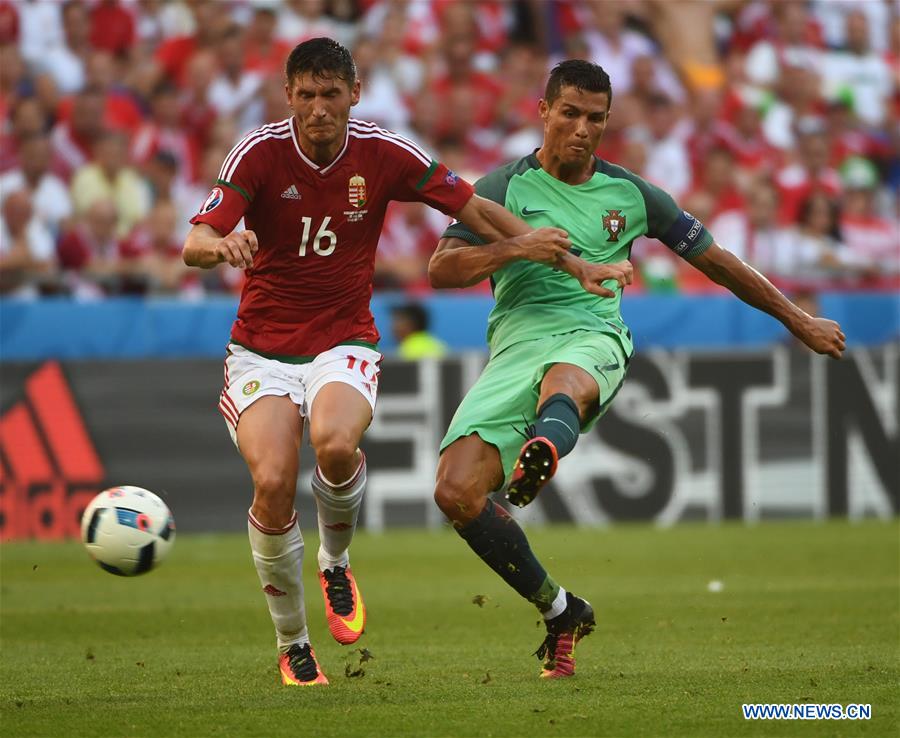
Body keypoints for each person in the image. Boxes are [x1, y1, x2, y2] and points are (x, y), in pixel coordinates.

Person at [428, 60, 846, 680]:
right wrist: (516, 246)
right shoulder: (500, 187)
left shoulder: (633, 194)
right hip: (515, 344)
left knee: (565, 380)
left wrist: (798, 319)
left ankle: (547, 441)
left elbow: (721, 262)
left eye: (596, 118)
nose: (582, 129)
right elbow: (440, 270)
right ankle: (561, 610)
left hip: (594, 332)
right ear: (543, 111)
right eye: (569, 113)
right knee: (455, 492)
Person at [181, 37, 575, 687]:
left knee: (335, 446)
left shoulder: (385, 151)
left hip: (343, 339)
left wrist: (537, 244)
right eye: (305, 96)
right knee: (274, 484)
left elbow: (470, 204)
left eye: (330, 95)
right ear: (288, 97)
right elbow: (196, 238)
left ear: (353, 95)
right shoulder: (258, 152)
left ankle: (334, 563)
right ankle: (293, 643)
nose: (317, 109)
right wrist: (219, 248)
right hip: (261, 350)